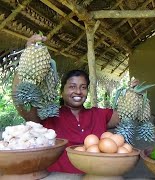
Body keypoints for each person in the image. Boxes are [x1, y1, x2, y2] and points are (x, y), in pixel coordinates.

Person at [12, 35, 120, 173]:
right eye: (72, 86)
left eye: (83, 87)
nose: (78, 91)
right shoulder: (48, 115)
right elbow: (21, 104)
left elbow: (126, 116)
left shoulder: (99, 114)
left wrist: (133, 93)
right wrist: (27, 59)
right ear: (61, 91)